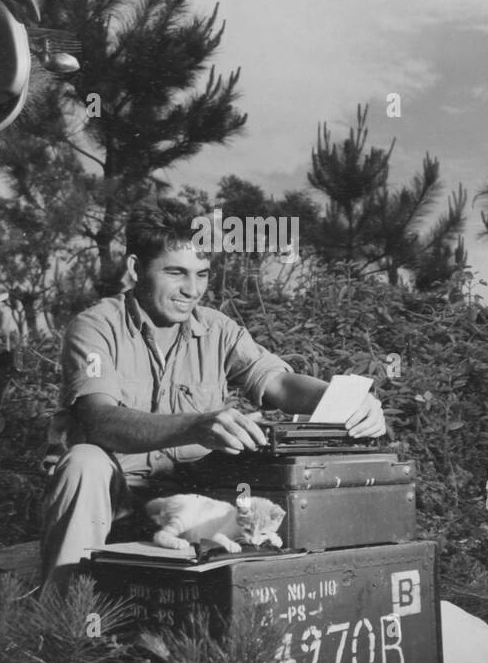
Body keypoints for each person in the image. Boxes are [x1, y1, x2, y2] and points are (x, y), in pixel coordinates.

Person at [40, 208, 385, 590]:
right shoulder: (96, 327)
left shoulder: (218, 329)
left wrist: (346, 397)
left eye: (202, 274)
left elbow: (279, 382)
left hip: (197, 502)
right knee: (85, 462)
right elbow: (99, 420)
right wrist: (195, 426)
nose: (192, 290)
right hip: (115, 497)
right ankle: (64, 610)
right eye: (176, 272)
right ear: (136, 268)